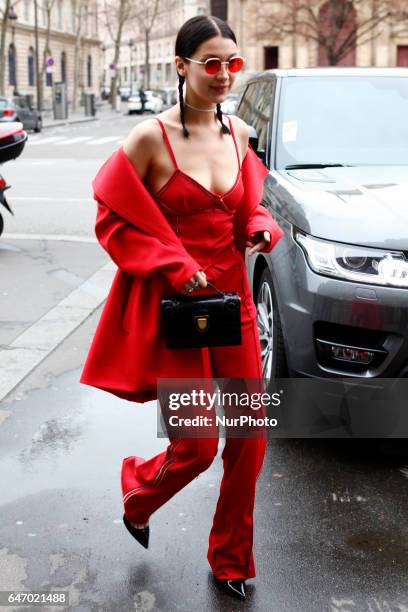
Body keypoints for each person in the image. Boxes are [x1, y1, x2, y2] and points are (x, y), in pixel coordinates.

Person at [80, 15, 284, 602]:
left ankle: (230, 557)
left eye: (233, 64)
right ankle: (138, 494)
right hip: (183, 313)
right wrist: (173, 264)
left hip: (235, 305)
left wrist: (262, 228)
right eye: (211, 63)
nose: (224, 75)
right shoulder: (151, 139)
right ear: (182, 66)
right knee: (196, 446)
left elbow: (251, 210)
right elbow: (113, 218)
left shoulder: (240, 134)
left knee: (249, 438)